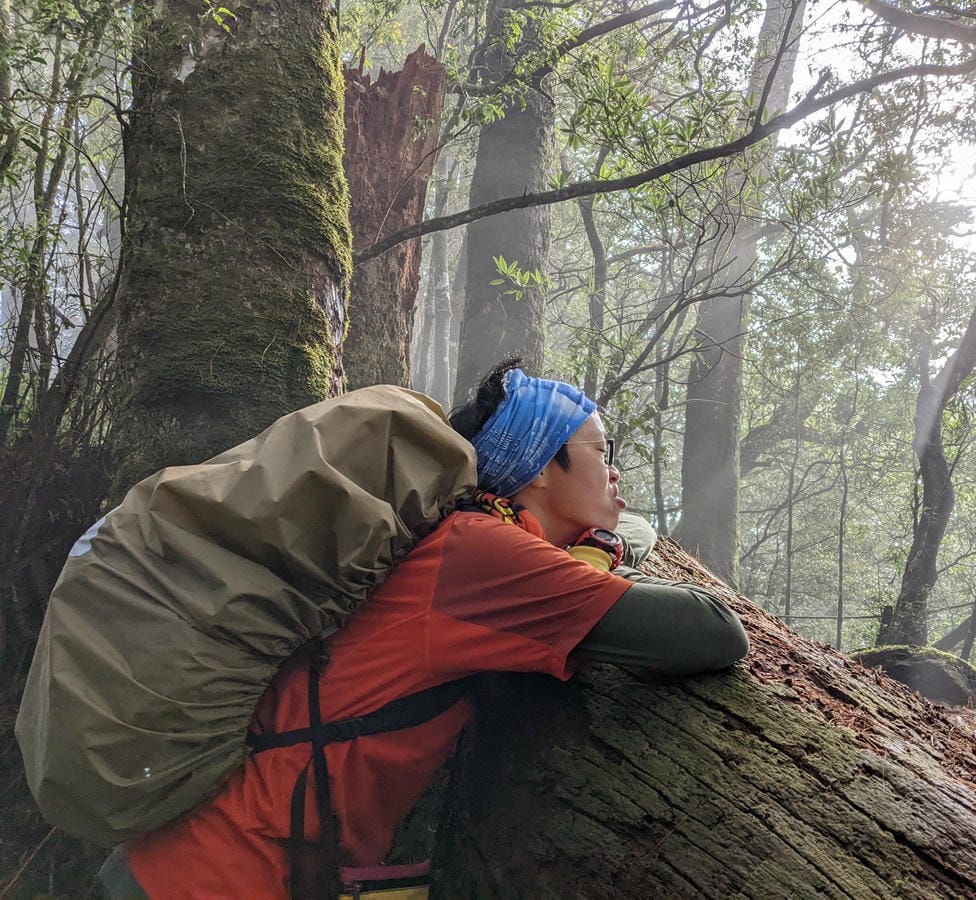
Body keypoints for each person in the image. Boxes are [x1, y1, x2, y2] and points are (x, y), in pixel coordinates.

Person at [99, 359, 748, 899]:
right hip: (213, 875)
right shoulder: (484, 558)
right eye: (602, 453)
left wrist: (597, 548)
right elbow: (715, 632)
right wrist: (598, 554)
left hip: (187, 858)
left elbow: (632, 532)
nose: (616, 474)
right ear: (543, 467)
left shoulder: (455, 540)